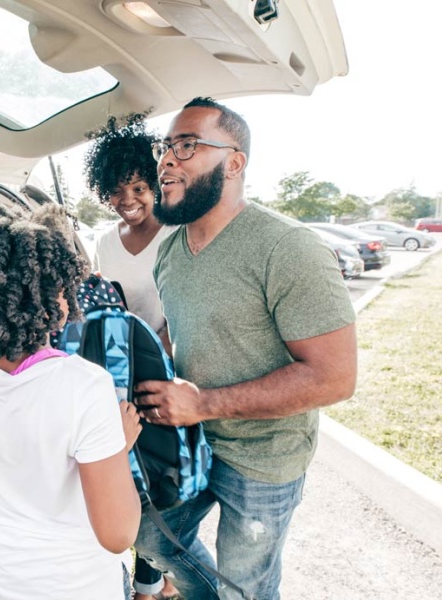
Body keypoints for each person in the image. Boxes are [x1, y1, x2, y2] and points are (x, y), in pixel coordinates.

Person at [133, 97, 358, 599]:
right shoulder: (169, 249)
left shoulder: (288, 248)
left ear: (234, 162)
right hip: (188, 445)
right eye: (165, 147)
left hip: (264, 458)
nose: (166, 160)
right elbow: (180, 330)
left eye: (186, 145)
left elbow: (335, 378)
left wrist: (206, 403)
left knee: (247, 587)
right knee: (150, 539)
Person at [0, 204, 142, 600]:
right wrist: (117, 449)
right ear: (50, 300)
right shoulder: (85, 386)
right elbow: (118, 535)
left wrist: (4, 479)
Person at [83, 114, 179, 600]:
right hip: (119, 371)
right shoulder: (102, 241)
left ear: (154, 183)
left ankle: (152, 576)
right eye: (116, 193)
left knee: (161, 476)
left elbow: (184, 306)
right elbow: (103, 303)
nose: (128, 201)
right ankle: (147, 575)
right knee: (126, 472)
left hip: (169, 370)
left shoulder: (177, 234)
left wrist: (162, 345)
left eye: (138, 187)